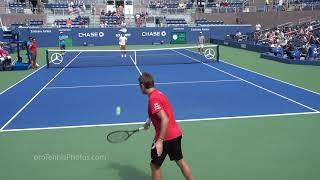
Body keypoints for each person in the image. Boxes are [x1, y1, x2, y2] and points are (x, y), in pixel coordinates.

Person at [139, 72, 194, 180]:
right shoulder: (159, 94)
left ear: (142, 86)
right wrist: (148, 122)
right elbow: (158, 111)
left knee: (155, 166)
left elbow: (165, 119)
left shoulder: (152, 99)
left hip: (166, 138)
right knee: (180, 162)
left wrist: (160, 141)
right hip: (176, 134)